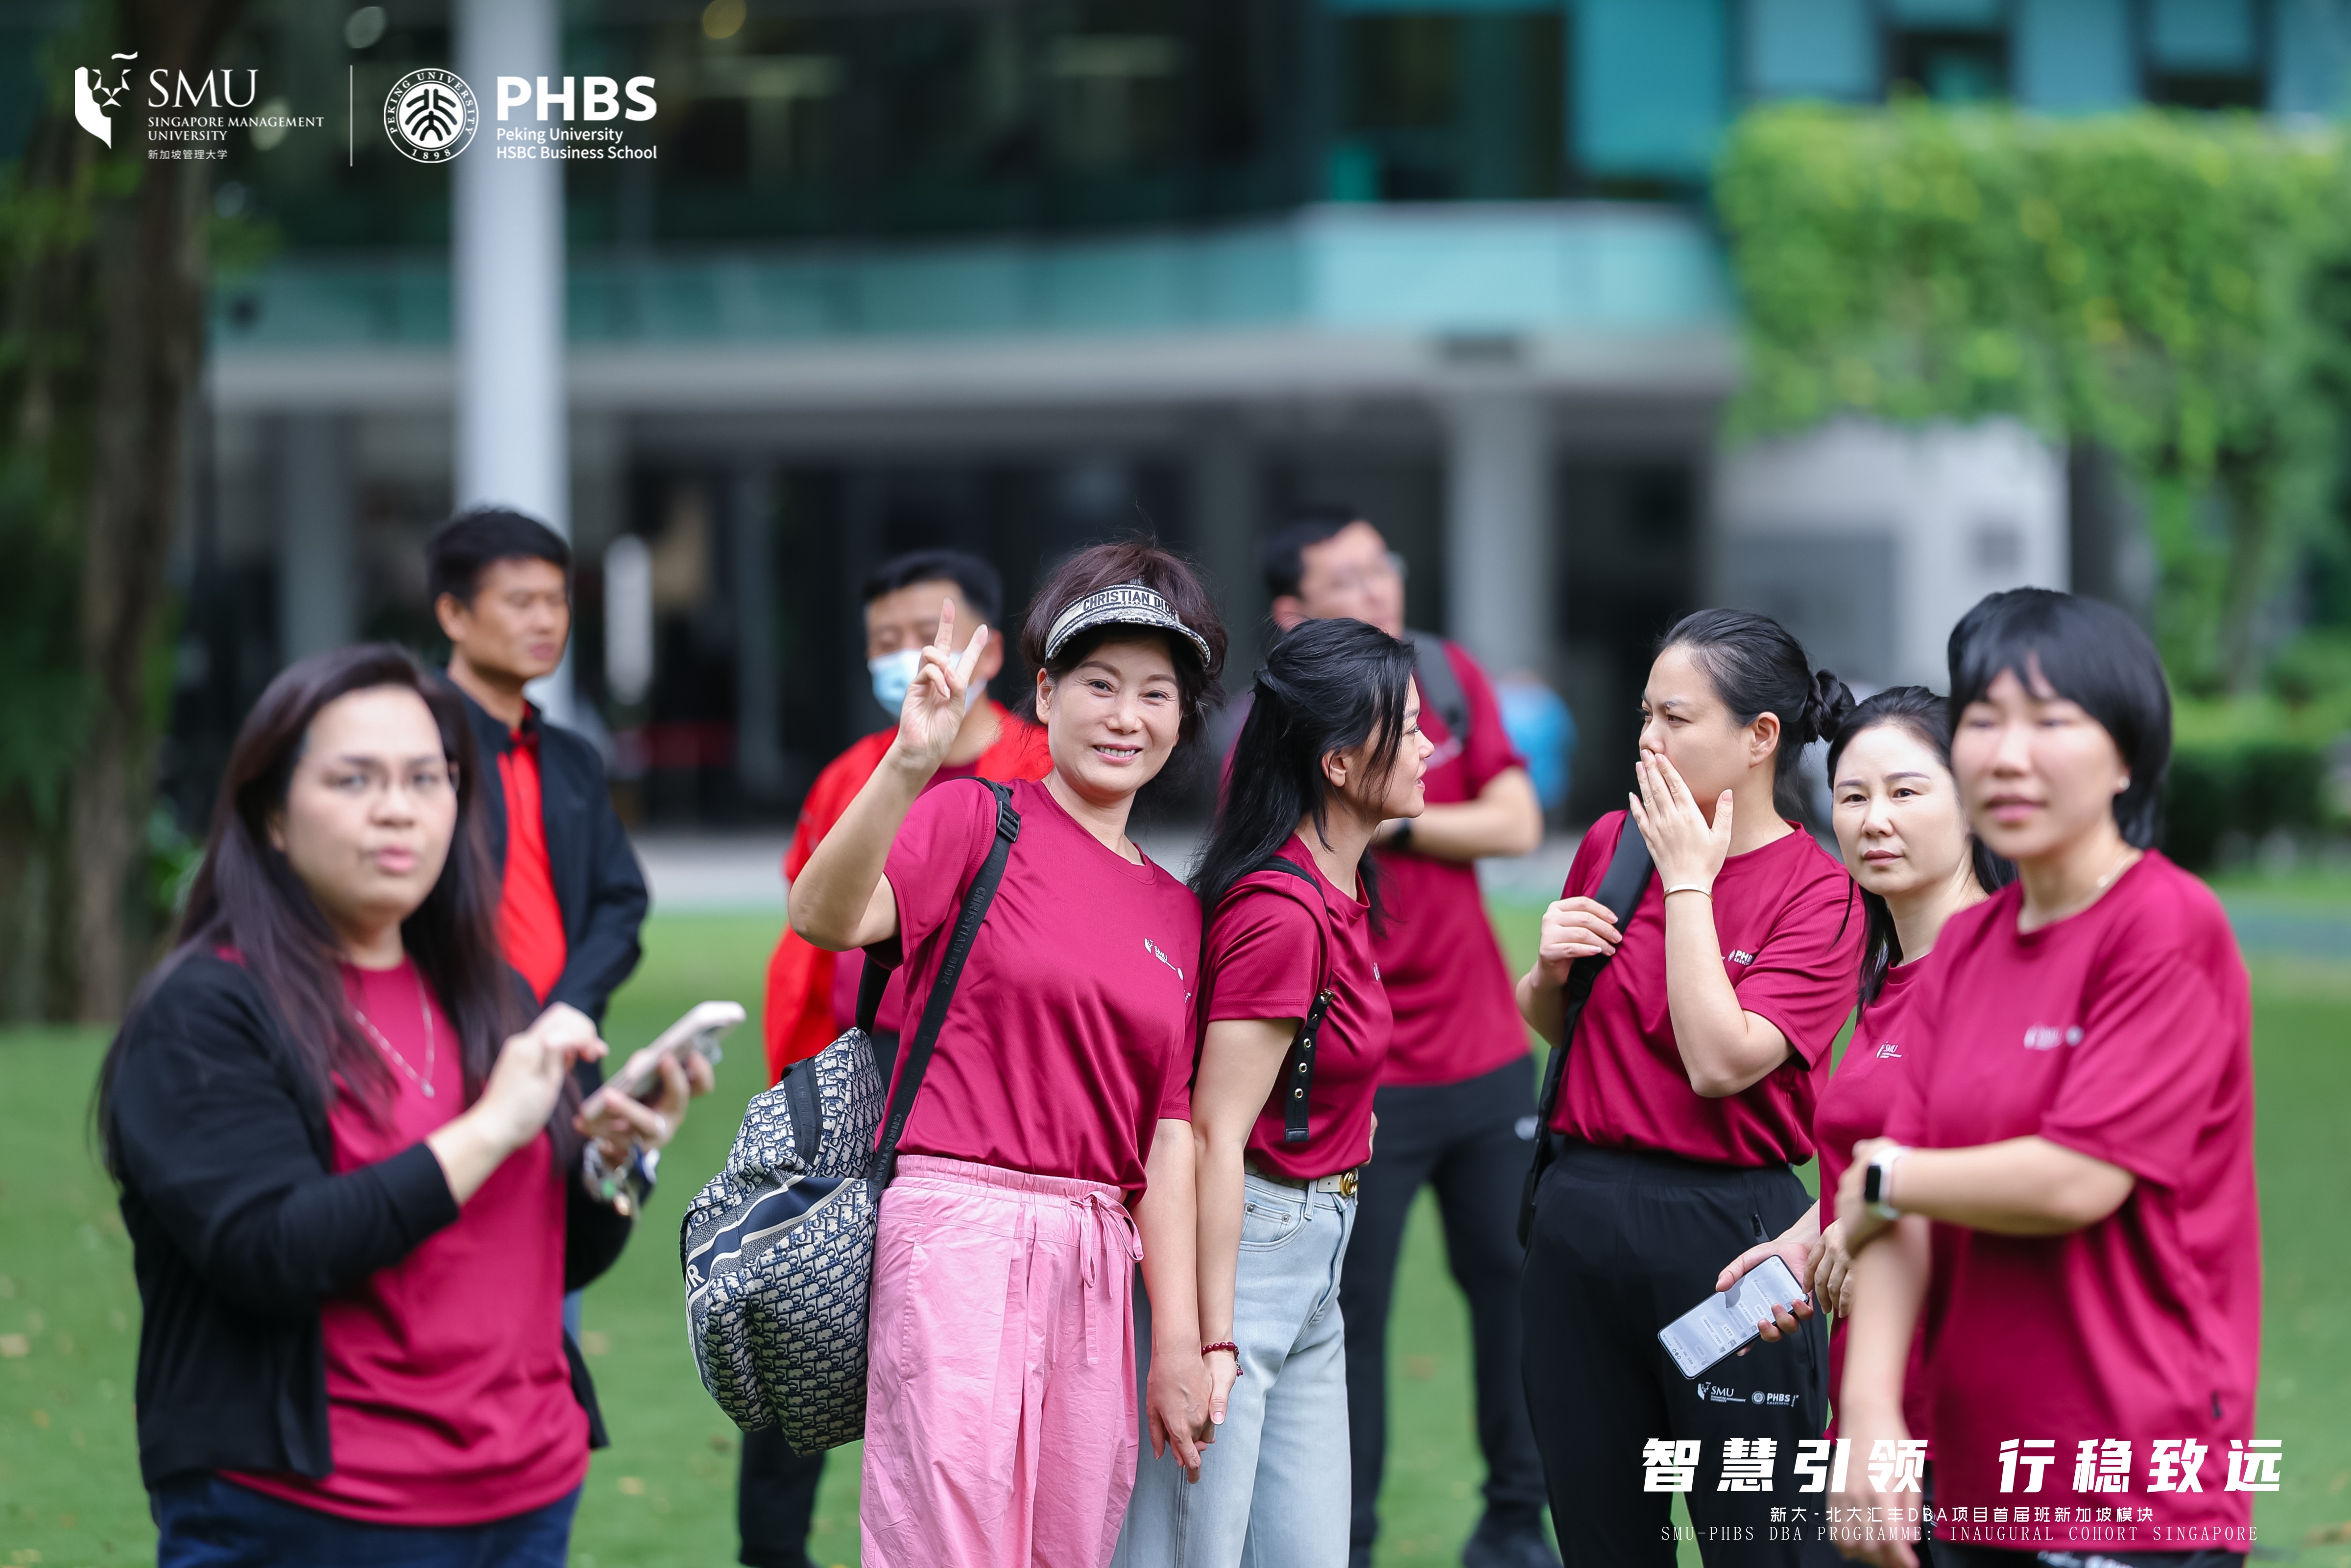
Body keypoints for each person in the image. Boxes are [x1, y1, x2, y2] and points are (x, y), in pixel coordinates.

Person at [98, 644, 711, 1567]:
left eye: (427, 778)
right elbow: (272, 1247)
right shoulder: (206, 1011)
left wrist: (613, 1158)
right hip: (309, 1510)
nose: (398, 807)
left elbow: (554, 1252)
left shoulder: (493, 996)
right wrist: (491, 1127)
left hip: (526, 1494)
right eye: (355, 778)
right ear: (270, 812)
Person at [789, 540, 1228, 1568]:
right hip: (956, 1230)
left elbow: (1166, 1136)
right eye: (1101, 684)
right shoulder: (970, 820)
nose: (1127, 716)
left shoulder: (1176, 908)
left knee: (1066, 1545)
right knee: (946, 1539)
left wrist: (1178, 1339)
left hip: (1094, 1251)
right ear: (1046, 692)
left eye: (1157, 694)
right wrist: (908, 761)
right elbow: (822, 914)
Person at [1830, 590, 2258, 1568]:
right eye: (1984, 719)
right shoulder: (1969, 945)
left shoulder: (2168, 926)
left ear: (2124, 756)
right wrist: (1868, 1414)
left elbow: (2078, 1177)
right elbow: (1901, 1208)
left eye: (2051, 722)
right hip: (1980, 1475)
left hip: (2135, 1475)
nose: (2008, 754)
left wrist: (1888, 1177)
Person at [1516, 609, 1864, 1568]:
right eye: (1644, 716)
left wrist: (1687, 887)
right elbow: (1567, 1026)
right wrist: (1546, 974)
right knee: (1601, 1529)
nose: (1648, 740)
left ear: (1760, 739)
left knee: (1755, 1536)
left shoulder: (1820, 892)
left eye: (1675, 718)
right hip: (1580, 1215)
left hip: (1730, 1240)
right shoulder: (1609, 841)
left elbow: (1722, 1062)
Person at [744, 550, 1052, 1568]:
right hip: (854, 1086)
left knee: (946, 1365)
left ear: (990, 648)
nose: (903, 655)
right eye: (883, 637)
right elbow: (808, 946)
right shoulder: (853, 774)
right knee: (800, 1321)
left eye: (926, 628)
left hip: (985, 1109)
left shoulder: (1046, 770)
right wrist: (798, 1097)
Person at [1260, 506, 1549, 1568]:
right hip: (1354, 1074)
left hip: (1484, 1050)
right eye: (1347, 577)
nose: (1378, 590)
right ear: (1292, 610)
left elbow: (1519, 822)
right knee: (1350, 1318)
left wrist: (1386, 807)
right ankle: (1346, 1539)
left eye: (1384, 568)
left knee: (1517, 1287)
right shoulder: (1284, 720)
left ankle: (1518, 1523)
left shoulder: (1448, 678)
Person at [1118, 617, 1432, 1568]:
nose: (1431, 747)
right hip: (1247, 1258)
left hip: (1312, 1260)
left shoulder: (1344, 886)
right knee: (1187, 1549)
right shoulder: (1282, 911)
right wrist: (1210, 1338)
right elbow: (1213, 1133)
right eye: (1411, 727)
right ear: (1340, 762)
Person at [1711, 686, 2015, 1564]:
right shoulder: (1885, 983)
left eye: (1908, 792)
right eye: (1852, 796)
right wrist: (1805, 1242)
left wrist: (1868, 1219)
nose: (1875, 819)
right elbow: (1874, 1163)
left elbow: (2017, 1170)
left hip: (1978, 1418)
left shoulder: (2003, 970)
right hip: (1873, 1404)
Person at [427, 509, 648, 1029]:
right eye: (521, 602)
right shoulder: (411, 751)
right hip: (448, 1036)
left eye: (556, 600)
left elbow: (621, 900)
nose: (546, 621)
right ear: (455, 615)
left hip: (563, 1047)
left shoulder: (573, 759)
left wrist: (570, 1006)